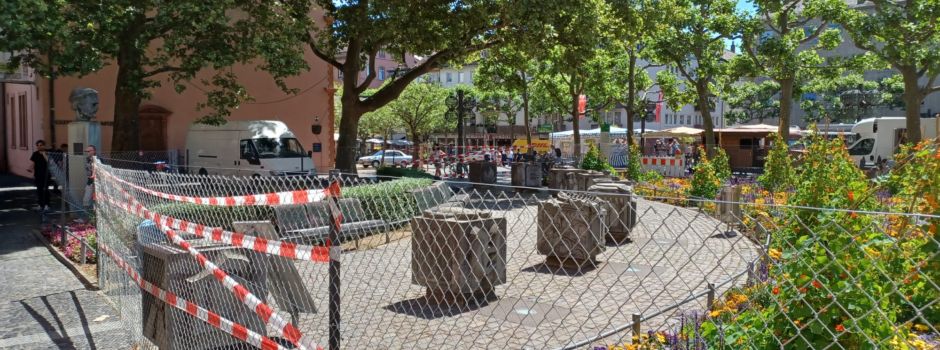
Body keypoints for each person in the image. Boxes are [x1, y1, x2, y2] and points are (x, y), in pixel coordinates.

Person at [28, 140, 51, 211]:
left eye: (40, 145)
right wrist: (30, 168)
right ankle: (40, 205)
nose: (39, 147)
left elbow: (49, 162)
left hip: (46, 174)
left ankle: (47, 205)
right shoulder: (35, 154)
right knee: (39, 190)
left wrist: (44, 154)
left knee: (46, 190)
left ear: (44, 145)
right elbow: (33, 162)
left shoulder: (48, 153)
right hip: (38, 174)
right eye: (37, 145)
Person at [83, 145, 97, 209]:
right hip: (90, 181)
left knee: (96, 201)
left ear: (94, 151)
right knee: (86, 200)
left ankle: (94, 217)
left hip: (97, 182)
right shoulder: (87, 159)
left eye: (89, 151)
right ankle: (87, 217)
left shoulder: (98, 160)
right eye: (86, 151)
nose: (87, 152)